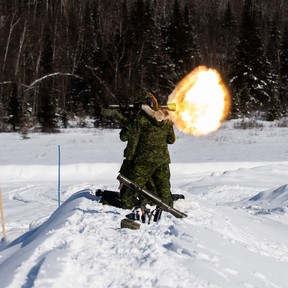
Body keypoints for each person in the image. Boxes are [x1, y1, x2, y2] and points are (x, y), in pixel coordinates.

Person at [120, 93, 176, 209]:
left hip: (143, 161)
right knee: (164, 189)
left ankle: (128, 205)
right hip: (162, 161)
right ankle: (167, 205)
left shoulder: (141, 120)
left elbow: (133, 141)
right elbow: (171, 140)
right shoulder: (166, 121)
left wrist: (129, 159)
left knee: (132, 189)